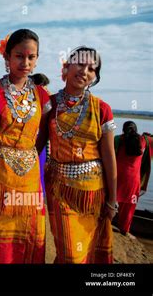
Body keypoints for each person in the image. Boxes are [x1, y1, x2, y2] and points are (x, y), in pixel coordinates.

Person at [0, 29, 51, 263]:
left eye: (31, 57)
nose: (25, 62)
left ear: (37, 58)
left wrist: (26, 157)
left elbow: (43, 137)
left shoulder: (42, 96)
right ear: (7, 57)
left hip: (28, 181)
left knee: (28, 236)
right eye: (19, 56)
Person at [45, 46, 117, 263]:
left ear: (95, 77)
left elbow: (109, 157)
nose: (84, 71)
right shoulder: (50, 104)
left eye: (91, 69)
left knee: (89, 252)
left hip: (93, 195)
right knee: (70, 254)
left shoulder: (102, 109)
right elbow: (36, 144)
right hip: (59, 191)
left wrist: (112, 200)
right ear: (67, 66)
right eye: (80, 64)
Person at [114, 121, 151, 236]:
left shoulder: (117, 139)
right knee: (129, 207)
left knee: (110, 200)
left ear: (123, 130)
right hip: (133, 180)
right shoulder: (144, 140)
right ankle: (124, 229)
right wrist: (147, 136)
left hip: (116, 178)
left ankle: (104, 222)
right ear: (136, 129)